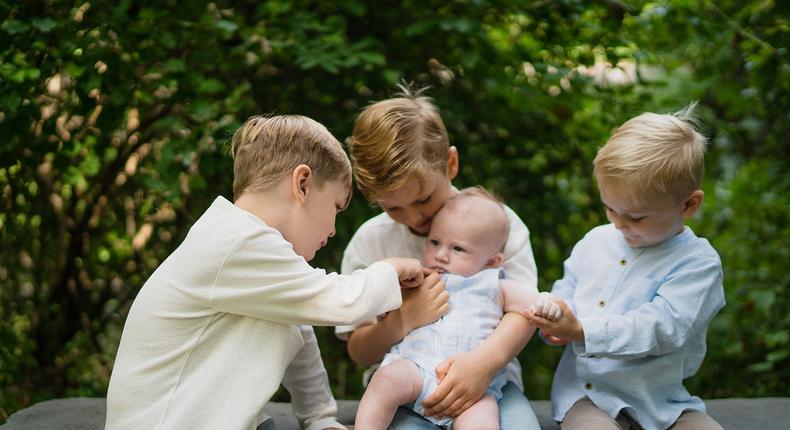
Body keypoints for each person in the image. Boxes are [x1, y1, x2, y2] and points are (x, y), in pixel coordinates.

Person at [105, 115, 428, 430]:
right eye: (335, 207)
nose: (332, 230)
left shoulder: (249, 245)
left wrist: (320, 419)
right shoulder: (237, 241)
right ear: (302, 184)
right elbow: (339, 302)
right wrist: (389, 269)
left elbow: (298, 330)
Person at [336, 86, 544, 429]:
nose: (414, 218)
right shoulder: (371, 242)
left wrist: (483, 363)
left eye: (422, 199)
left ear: (450, 163)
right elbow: (359, 349)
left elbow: (525, 312)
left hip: (491, 384)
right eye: (393, 207)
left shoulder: (497, 224)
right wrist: (401, 321)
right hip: (403, 391)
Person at [524, 104, 725, 430]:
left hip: (661, 402)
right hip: (588, 396)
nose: (618, 224)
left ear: (689, 204)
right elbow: (568, 290)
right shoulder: (595, 241)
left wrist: (582, 331)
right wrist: (556, 319)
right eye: (610, 209)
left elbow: (663, 327)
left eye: (636, 217)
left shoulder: (698, 263)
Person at [355, 188, 561, 429]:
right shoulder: (418, 278)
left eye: (458, 249)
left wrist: (548, 304)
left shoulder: (495, 284)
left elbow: (532, 304)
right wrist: (389, 307)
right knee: (386, 380)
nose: (441, 255)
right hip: (416, 369)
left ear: (491, 261)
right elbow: (385, 309)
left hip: (475, 385)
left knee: (483, 420)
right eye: (434, 242)